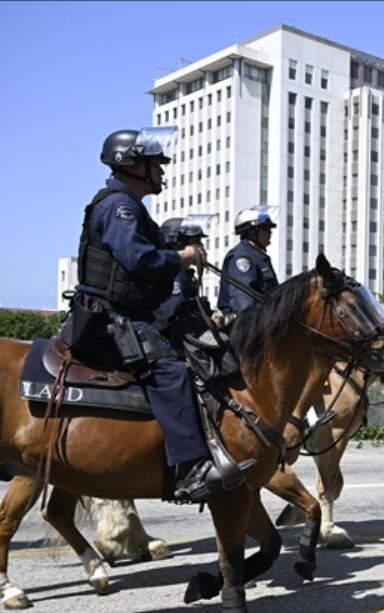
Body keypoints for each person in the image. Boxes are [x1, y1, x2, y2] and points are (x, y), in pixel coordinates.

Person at [69, 127, 228, 502]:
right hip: (111, 317)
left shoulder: (130, 205)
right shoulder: (118, 206)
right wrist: (183, 257)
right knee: (170, 371)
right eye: (157, 163)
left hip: (126, 313)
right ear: (133, 164)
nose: (163, 170)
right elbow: (140, 260)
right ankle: (190, 469)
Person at [217, 205, 280, 318]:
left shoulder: (258, 256)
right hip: (249, 326)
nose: (270, 233)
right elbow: (243, 302)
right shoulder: (242, 257)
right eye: (266, 229)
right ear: (252, 231)